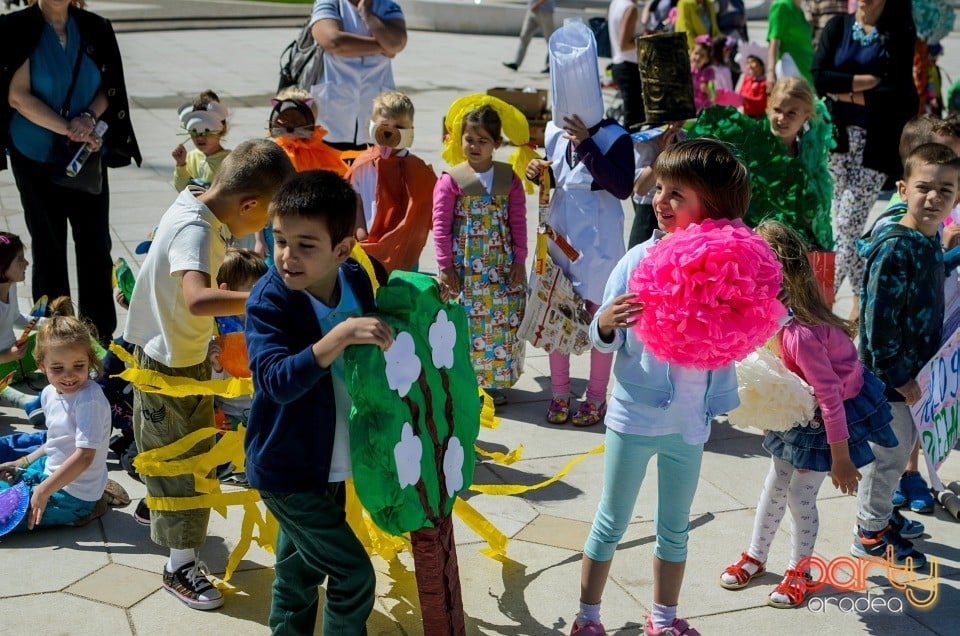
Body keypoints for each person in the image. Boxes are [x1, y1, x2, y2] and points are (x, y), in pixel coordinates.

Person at [567, 139, 748, 636]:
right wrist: (604, 322)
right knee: (611, 520)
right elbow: (602, 342)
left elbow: (740, 330)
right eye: (660, 190)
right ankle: (587, 616)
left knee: (675, 529)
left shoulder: (727, 269)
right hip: (634, 418)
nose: (660, 201)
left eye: (677, 194)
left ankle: (663, 619)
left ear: (710, 207)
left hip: (689, 424)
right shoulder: (636, 261)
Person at [123, 139, 295, 611]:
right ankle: (178, 565)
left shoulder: (200, 201)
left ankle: (156, 504)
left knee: (193, 454)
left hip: (184, 359)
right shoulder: (196, 230)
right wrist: (266, 299)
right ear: (248, 204)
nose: (260, 231)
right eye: (264, 221)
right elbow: (198, 298)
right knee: (185, 466)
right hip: (168, 369)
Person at [719, 220, 896, 609]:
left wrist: (841, 458)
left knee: (800, 495)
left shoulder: (801, 331)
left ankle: (801, 569)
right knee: (774, 484)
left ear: (777, 274)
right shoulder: (771, 318)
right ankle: (755, 554)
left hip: (827, 422)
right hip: (799, 413)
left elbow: (830, 396)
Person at [245, 170, 392, 635]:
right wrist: (339, 337)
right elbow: (274, 381)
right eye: (279, 240)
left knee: (299, 572)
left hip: (330, 459)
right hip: (287, 467)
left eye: (306, 245)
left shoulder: (354, 280)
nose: (286, 256)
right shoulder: (269, 302)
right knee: (353, 576)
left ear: (342, 250)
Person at [0, 0, 142, 345]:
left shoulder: (96, 27)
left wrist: (88, 120)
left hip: (85, 153)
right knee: (48, 245)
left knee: (95, 243)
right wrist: (68, 127)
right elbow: (17, 96)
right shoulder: (15, 27)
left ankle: (99, 336)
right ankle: (55, 339)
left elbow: (110, 88)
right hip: (34, 152)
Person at [855, 142, 960, 568]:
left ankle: (880, 518)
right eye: (924, 187)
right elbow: (877, 325)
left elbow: (931, 271)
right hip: (891, 381)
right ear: (902, 189)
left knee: (898, 455)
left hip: (915, 375)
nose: (933, 197)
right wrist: (899, 376)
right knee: (888, 460)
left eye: (945, 190)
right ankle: (870, 533)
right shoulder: (897, 247)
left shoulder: (927, 239)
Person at [526, 113, 634, 426]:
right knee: (556, 310)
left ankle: (597, 396)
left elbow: (622, 186)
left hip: (599, 238)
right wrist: (537, 172)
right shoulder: (552, 131)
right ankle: (560, 392)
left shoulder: (616, 136)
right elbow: (555, 174)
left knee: (600, 315)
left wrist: (586, 143)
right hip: (561, 231)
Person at [811, 0, 916, 320]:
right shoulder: (837, 27)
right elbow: (819, 77)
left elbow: (897, 91)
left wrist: (843, 89)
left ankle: (821, 303)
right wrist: (864, 85)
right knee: (843, 229)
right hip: (838, 141)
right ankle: (859, 300)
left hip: (875, 146)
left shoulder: (898, 33)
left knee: (847, 225)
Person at [433, 105, 527, 405]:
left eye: (482, 141)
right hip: (465, 270)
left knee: (500, 326)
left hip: (499, 267)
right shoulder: (451, 180)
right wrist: (445, 266)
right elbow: (440, 225)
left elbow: (518, 220)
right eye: (469, 139)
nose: (474, 146)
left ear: (496, 144)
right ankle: (466, 383)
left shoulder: (508, 179)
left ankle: (493, 383)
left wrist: (519, 259)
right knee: (467, 324)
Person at [0, 315, 110, 531]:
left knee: (4, 517)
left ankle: (87, 507)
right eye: (58, 368)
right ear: (42, 366)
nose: (69, 375)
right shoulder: (49, 393)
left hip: (72, 494)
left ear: (90, 360)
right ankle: (100, 493)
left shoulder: (90, 400)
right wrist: (21, 462)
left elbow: (85, 456)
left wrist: (42, 491)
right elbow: (55, 441)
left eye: (78, 365)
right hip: (51, 470)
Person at [348, 90, 437, 273]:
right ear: (373, 126)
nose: (390, 132)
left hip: (404, 252)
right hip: (367, 246)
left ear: (410, 130)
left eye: (399, 126)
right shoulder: (362, 165)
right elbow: (353, 201)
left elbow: (428, 209)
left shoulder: (418, 170)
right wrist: (360, 232)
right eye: (385, 125)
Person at [309, 0, 407, 151]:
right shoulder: (330, 2)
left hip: (376, 117)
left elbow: (396, 42)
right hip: (332, 117)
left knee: (370, 171)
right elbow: (334, 42)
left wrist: (367, 13)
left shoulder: (387, 5)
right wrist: (383, 46)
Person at [172, 90, 230, 192]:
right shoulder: (190, 158)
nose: (199, 137)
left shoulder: (229, 160)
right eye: (194, 131)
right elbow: (181, 189)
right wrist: (181, 165)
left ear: (221, 128)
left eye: (206, 131)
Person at [608, 0, 646, 130]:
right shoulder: (630, 8)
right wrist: (647, 38)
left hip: (619, 64)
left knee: (634, 118)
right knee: (634, 122)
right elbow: (624, 45)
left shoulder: (616, 3)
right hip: (629, 67)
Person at [766, 0, 813, 86]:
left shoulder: (801, 9)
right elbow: (774, 42)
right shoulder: (781, 6)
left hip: (807, 70)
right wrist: (770, 72)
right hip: (792, 69)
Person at [502, 0, 555, 73]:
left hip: (545, 11)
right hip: (532, 11)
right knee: (524, 37)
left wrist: (535, 5)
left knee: (550, 40)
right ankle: (516, 63)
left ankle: (550, 65)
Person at [735, 49, 768, 117]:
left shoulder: (766, 83)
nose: (749, 66)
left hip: (759, 118)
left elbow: (762, 101)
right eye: (748, 63)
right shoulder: (746, 79)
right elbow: (739, 93)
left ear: (761, 64)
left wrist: (745, 99)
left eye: (753, 62)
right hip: (745, 115)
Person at [690, 35, 715, 112]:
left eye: (702, 56)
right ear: (691, 53)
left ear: (707, 59)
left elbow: (713, 95)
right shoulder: (686, 69)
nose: (697, 57)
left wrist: (707, 90)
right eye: (696, 53)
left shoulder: (708, 73)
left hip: (703, 109)